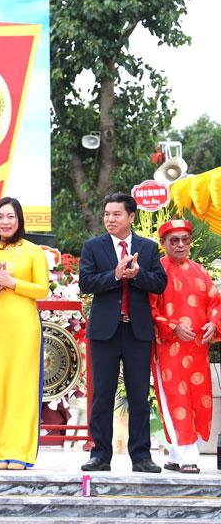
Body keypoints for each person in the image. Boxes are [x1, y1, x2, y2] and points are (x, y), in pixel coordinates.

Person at [78, 192, 167, 473]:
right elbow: (86, 282)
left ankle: (141, 456)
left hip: (137, 331)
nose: (110, 219)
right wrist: (115, 275)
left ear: (131, 216)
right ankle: (100, 454)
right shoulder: (94, 247)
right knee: (102, 394)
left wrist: (138, 274)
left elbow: (160, 283)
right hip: (105, 331)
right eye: (107, 214)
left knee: (139, 394)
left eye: (116, 214)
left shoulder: (149, 248)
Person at [0, 197, 49, 470]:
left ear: (19, 220)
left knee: (21, 387)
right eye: (1, 217)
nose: (6, 222)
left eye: (11, 217)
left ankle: (19, 451)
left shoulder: (33, 251)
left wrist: (12, 282)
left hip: (24, 328)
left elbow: (42, 290)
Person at [150, 219, 220, 474]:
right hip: (168, 348)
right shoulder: (157, 271)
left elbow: (215, 302)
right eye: (174, 241)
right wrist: (172, 327)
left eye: (185, 240)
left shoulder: (200, 271)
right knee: (174, 399)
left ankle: (176, 454)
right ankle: (189, 455)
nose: (180, 245)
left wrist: (213, 323)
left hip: (197, 349)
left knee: (197, 400)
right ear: (163, 244)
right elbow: (151, 309)